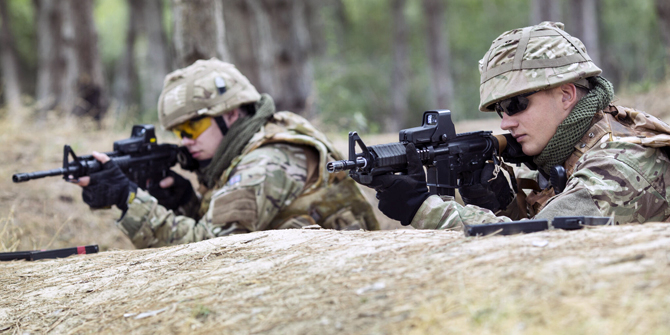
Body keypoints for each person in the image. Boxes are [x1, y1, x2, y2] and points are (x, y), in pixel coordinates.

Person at [365, 21, 670, 230]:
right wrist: (496, 199)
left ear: (566, 95)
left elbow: (536, 244)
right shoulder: (566, 152)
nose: (506, 121)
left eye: (516, 104)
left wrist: (423, 207)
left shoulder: (619, 165)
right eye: (500, 109)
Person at [76, 58, 378, 248]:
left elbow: (212, 250)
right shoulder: (250, 146)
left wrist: (129, 200)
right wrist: (186, 203)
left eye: (193, 128)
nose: (185, 141)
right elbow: (234, 227)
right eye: (179, 132)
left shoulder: (267, 161)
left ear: (231, 114)